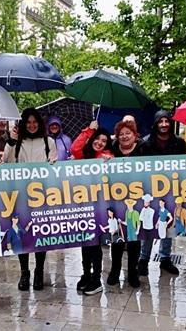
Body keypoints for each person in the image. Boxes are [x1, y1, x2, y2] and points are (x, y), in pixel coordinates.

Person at [3, 108, 57, 291]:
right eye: (28, 122)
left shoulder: (49, 141)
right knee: (21, 235)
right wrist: (11, 141)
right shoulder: (16, 143)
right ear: (23, 124)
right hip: (21, 196)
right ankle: (24, 272)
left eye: (35, 122)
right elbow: (6, 162)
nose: (32, 125)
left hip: (42, 197)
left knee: (41, 234)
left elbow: (55, 165)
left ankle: (39, 270)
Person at [137, 110, 185, 277]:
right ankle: (143, 258)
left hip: (171, 189)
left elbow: (184, 165)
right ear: (156, 124)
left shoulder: (179, 143)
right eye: (160, 121)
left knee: (167, 223)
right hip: (150, 189)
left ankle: (165, 258)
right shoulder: (145, 143)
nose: (164, 124)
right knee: (149, 223)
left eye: (166, 121)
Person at [70, 122, 114, 295]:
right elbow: (75, 147)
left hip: (99, 209)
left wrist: (108, 160)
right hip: (82, 206)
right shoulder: (84, 155)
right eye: (98, 139)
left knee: (94, 244)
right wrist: (89, 130)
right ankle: (86, 274)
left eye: (104, 141)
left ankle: (96, 278)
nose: (100, 143)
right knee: (85, 242)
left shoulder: (106, 156)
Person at [107, 119, 143, 287]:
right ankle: (115, 270)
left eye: (128, 133)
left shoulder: (144, 149)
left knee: (135, 238)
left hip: (138, 198)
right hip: (116, 198)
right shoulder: (112, 149)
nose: (124, 136)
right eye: (121, 134)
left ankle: (133, 272)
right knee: (118, 238)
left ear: (134, 135)